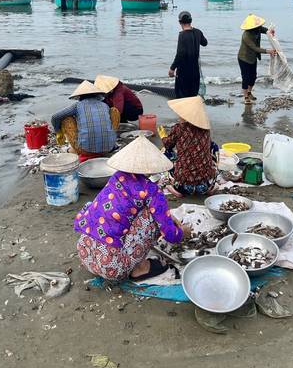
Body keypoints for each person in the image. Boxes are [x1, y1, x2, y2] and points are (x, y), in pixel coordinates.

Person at [75, 135, 190, 281]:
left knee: (107, 211)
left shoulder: (116, 177)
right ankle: (140, 268)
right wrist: (182, 232)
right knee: (152, 217)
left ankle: (126, 260)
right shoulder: (151, 190)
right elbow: (170, 236)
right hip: (112, 268)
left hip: (86, 254)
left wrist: (167, 216)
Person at [160, 96, 217, 197]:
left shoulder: (178, 128)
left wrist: (163, 137)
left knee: (166, 152)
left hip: (183, 186)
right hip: (205, 184)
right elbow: (207, 145)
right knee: (214, 146)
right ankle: (210, 189)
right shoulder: (205, 129)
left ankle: (174, 190)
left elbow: (168, 145)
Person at [51, 80, 120, 161]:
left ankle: (74, 150)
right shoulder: (105, 105)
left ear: (80, 96)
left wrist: (58, 131)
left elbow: (55, 117)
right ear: (97, 95)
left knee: (67, 119)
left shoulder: (77, 105)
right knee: (114, 111)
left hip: (85, 150)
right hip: (109, 147)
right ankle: (110, 142)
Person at [238, 14, 276, 105]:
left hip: (253, 58)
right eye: (257, 26)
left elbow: (266, 30)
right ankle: (246, 97)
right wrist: (268, 51)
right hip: (244, 58)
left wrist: (270, 31)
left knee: (253, 77)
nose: (259, 27)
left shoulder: (258, 29)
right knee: (245, 78)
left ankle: (250, 92)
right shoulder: (246, 35)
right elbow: (254, 48)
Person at [169, 11, 207, 98]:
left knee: (182, 97)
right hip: (195, 71)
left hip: (184, 72)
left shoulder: (182, 35)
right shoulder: (198, 32)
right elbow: (205, 43)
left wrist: (172, 68)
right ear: (191, 21)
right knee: (193, 96)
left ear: (180, 22)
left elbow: (180, 54)